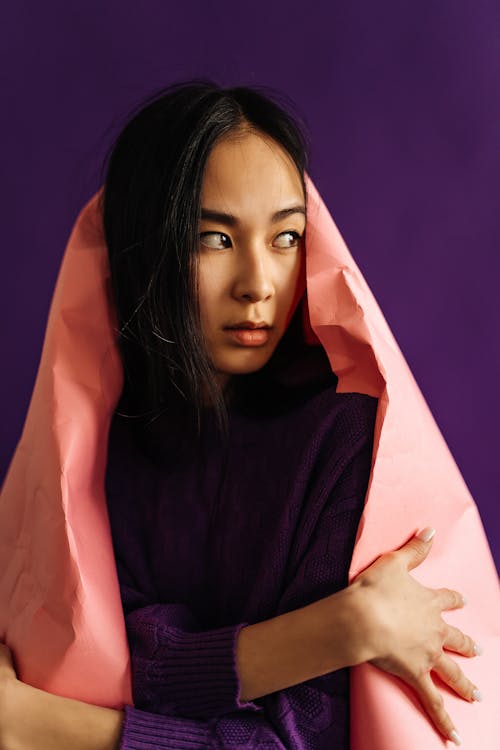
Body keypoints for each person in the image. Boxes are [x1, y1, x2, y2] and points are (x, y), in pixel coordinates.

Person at [0, 80, 482, 750]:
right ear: (147, 252)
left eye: (286, 237)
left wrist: (36, 726)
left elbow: (298, 740)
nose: (259, 283)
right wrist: (336, 630)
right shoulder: (99, 448)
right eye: (215, 239)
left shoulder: (350, 446)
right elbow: (114, 665)